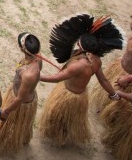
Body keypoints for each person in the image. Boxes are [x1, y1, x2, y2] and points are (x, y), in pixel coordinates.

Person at [38, 14, 124, 146]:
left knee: (59, 117)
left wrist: (37, 76)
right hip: (81, 96)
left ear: (80, 45)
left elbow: (56, 79)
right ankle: (60, 135)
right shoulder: (96, 61)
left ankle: (58, 136)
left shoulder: (78, 66)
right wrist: (113, 93)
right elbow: (104, 81)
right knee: (67, 118)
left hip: (68, 96)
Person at [90, 14, 132, 113]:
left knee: (119, 101)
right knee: (108, 89)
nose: (131, 23)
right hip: (119, 67)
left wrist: (129, 78)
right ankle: (104, 106)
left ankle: (110, 112)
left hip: (131, 76)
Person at [0, 32, 46, 155]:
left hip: (21, 103)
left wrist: (6, 111)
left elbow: (20, 99)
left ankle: (9, 141)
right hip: (20, 95)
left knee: (14, 124)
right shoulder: (37, 58)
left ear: (22, 49)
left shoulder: (28, 74)